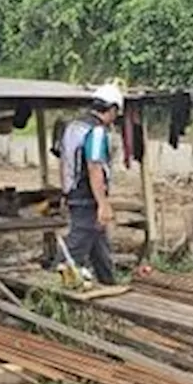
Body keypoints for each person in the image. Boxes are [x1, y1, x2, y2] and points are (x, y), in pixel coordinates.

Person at [59, 83, 123, 286]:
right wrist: (103, 203)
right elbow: (94, 167)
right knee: (79, 239)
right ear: (112, 109)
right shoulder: (96, 132)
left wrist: (65, 191)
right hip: (87, 195)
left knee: (98, 240)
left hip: (73, 191)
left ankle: (108, 281)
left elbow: (63, 161)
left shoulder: (73, 127)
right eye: (116, 112)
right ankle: (52, 281)